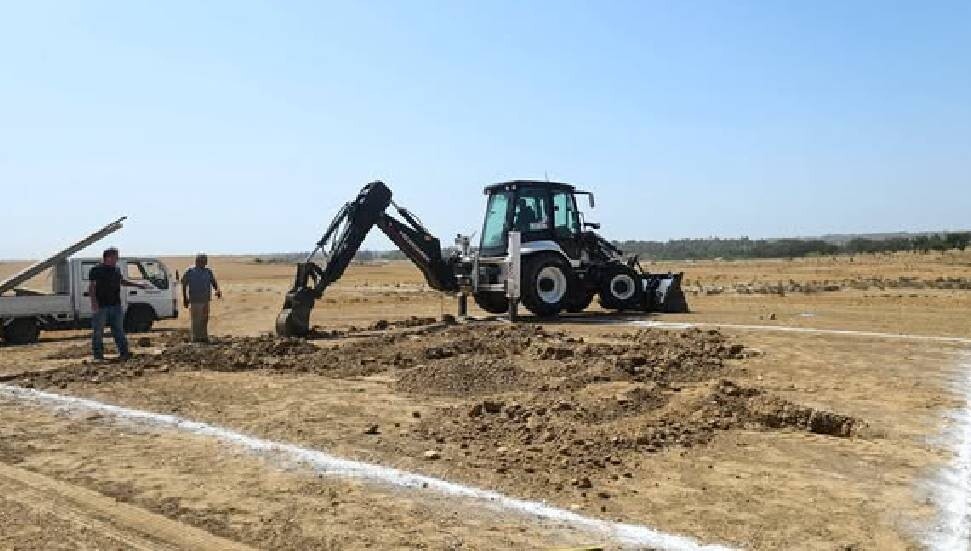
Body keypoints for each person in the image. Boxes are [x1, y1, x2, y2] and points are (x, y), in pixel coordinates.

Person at [89, 248, 149, 361]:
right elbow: (92, 287)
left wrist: (138, 285)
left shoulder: (116, 269)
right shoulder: (96, 270)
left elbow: (121, 281)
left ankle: (124, 352)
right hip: (101, 306)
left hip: (116, 305)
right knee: (98, 331)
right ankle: (98, 355)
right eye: (115, 257)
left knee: (119, 330)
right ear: (108, 257)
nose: (117, 259)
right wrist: (94, 302)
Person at [181, 253, 221, 343]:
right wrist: (185, 298)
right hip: (195, 300)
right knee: (196, 320)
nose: (205, 263)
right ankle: (195, 338)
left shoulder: (208, 271)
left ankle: (204, 337)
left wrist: (217, 290)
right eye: (203, 261)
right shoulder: (190, 271)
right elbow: (184, 285)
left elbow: (213, 282)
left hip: (205, 300)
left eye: (206, 261)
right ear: (197, 261)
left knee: (204, 319)